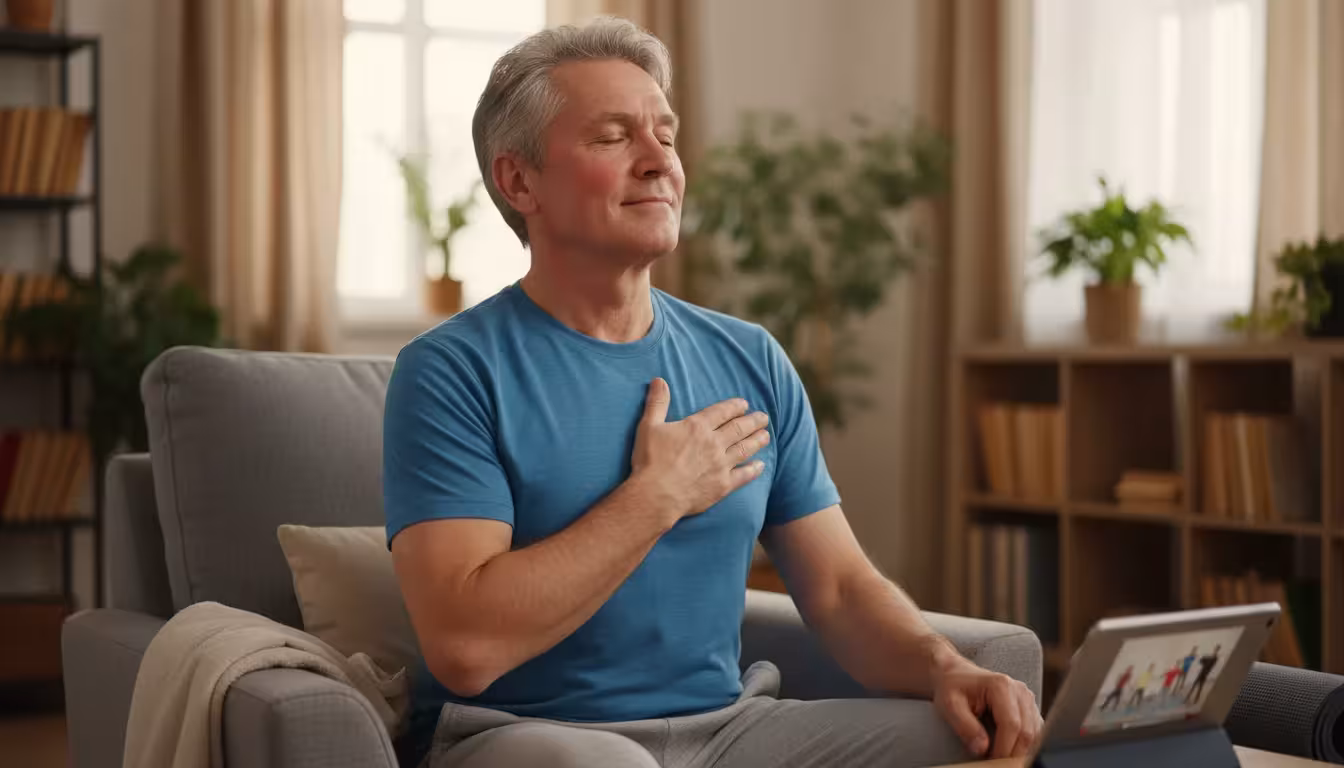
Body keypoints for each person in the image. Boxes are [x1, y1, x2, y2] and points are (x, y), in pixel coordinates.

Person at [382, 16, 1041, 768]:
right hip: (525, 736)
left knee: (980, 741)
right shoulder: (451, 370)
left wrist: (944, 665)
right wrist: (657, 495)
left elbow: (839, 591)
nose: (658, 161)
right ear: (518, 180)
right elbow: (466, 647)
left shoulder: (748, 357)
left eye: (665, 134)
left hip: (729, 730)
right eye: (612, 137)